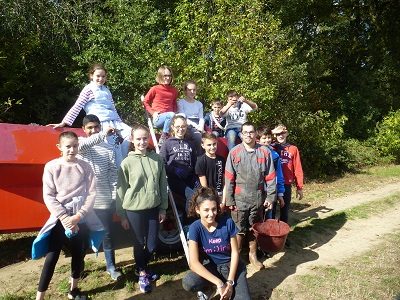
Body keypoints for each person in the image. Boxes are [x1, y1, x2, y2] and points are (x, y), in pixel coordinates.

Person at [34, 131, 96, 300]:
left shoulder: (85, 166)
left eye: (75, 146)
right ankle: (40, 297)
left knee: (78, 253)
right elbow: (49, 196)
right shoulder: (52, 167)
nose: (72, 150)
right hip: (60, 219)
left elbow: (91, 193)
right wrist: (64, 218)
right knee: (52, 257)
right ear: (59, 147)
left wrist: (79, 216)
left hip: (80, 218)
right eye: (68, 146)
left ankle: (73, 289)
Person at [116, 124, 168, 294]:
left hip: (153, 207)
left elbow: (162, 184)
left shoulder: (157, 159)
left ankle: (140, 267)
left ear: (149, 139)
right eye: (138, 138)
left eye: (145, 138)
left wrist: (163, 208)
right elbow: (121, 190)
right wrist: (122, 215)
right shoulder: (126, 163)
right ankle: (143, 273)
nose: (142, 141)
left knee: (152, 245)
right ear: (132, 140)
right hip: (133, 210)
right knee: (139, 244)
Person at [47, 63, 131, 166]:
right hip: (100, 123)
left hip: (113, 121)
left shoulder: (107, 90)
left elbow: (113, 108)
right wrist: (64, 122)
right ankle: (114, 167)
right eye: (98, 76)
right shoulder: (88, 89)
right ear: (91, 76)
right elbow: (77, 105)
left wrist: (119, 122)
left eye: (103, 76)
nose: (101, 79)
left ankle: (124, 161)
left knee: (130, 134)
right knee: (110, 147)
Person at [182, 187, 251, 300]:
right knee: (189, 281)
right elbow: (193, 263)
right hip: (212, 268)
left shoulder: (227, 222)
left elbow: (235, 252)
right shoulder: (195, 228)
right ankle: (209, 288)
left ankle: (234, 285)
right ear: (197, 210)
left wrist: (230, 282)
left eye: (214, 209)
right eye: (206, 210)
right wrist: (219, 283)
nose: (211, 214)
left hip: (232, 268)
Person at [224, 122, 276, 270]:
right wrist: (229, 200)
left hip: (258, 197)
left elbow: (271, 177)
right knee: (239, 229)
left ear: (255, 134)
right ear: (241, 134)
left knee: (254, 227)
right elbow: (229, 178)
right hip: (239, 199)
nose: (248, 134)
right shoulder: (234, 152)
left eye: (251, 132)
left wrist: (270, 197)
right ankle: (238, 258)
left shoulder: (265, 152)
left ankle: (253, 256)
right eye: (245, 132)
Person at [77, 114, 121, 280]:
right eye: (90, 127)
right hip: (83, 201)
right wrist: (102, 135)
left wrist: (114, 195)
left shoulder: (108, 148)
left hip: (103, 200)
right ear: (83, 129)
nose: (94, 130)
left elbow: (113, 173)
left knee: (107, 235)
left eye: (96, 127)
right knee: (81, 237)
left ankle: (111, 267)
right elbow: (86, 144)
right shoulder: (80, 144)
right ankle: (78, 270)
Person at [159, 115, 199, 214]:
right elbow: (161, 163)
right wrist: (174, 170)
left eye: (183, 126)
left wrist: (196, 177)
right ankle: (188, 223)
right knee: (192, 196)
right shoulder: (167, 143)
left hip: (189, 178)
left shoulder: (191, 144)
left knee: (201, 196)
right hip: (175, 179)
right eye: (178, 127)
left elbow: (195, 162)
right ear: (172, 127)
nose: (180, 129)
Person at [271, 124, 304, 226]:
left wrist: (299, 187)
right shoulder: (270, 147)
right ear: (275, 135)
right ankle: (270, 236)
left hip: (286, 184)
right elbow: (259, 138)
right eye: (278, 133)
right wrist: (272, 132)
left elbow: (298, 168)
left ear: (287, 133)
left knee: (284, 212)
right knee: (270, 212)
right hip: (271, 183)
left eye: (283, 133)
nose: (281, 135)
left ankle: (283, 236)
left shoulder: (293, 149)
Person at [143, 65, 179, 146]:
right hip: (158, 118)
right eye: (165, 75)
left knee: (181, 118)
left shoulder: (174, 90)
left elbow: (174, 104)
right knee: (171, 114)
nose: (168, 78)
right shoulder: (155, 89)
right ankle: (164, 136)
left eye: (169, 75)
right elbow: (145, 102)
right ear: (160, 76)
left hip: (170, 118)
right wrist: (153, 113)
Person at [257, 126, 285, 219]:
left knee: (269, 216)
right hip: (256, 191)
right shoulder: (253, 152)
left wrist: (280, 193)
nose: (267, 140)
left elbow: (279, 175)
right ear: (258, 139)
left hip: (270, 191)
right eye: (264, 138)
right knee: (257, 217)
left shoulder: (275, 155)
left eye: (269, 137)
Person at [195, 132, 225, 203]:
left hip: (221, 195)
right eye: (209, 145)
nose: (212, 147)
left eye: (214, 144)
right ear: (203, 145)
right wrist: (212, 200)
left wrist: (223, 201)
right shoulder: (200, 161)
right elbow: (204, 186)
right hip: (209, 197)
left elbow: (224, 182)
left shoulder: (221, 159)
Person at [177, 80, 204, 152]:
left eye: (194, 90)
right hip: (186, 123)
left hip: (198, 124)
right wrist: (195, 126)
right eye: (189, 90)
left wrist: (201, 127)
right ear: (185, 91)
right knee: (197, 136)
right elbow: (183, 117)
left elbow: (201, 118)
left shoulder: (199, 104)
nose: (192, 92)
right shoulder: (181, 102)